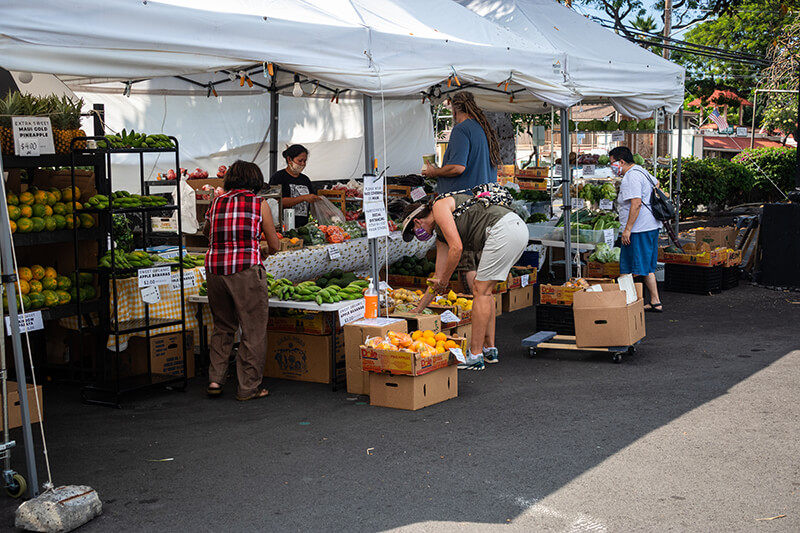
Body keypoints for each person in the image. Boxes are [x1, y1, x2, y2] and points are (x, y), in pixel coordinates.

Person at [401, 193, 528, 370]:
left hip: (503, 230)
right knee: (485, 291)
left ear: (417, 222)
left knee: (480, 291)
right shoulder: (441, 236)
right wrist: (419, 308)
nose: (417, 236)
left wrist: (445, 280)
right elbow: (437, 278)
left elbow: (457, 248)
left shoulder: (439, 207)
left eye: (414, 233)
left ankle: (475, 355)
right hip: (516, 229)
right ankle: (489, 349)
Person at [204, 160, 281, 401]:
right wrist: (264, 250)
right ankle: (248, 387)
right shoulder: (260, 204)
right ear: (255, 181)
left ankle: (215, 380)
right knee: (253, 329)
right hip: (246, 270)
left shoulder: (216, 202)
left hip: (215, 270)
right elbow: (275, 244)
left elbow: (207, 233)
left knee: (223, 326)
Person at [421, 90, 502, 297]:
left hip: (463, 207)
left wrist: (433, 171)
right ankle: (484, 311)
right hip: (485, 205)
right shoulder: (483, 129)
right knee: (479, 266)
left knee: (467, 266)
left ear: (455, 107)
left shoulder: (461, 130)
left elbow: (457, 167)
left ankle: (478, 312)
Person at [608, 146, 663, 312]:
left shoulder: (631, 177)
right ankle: (655, 301)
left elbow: (636, 203)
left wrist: (627, 229)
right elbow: (657, 183)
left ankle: (626, 303)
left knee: (627, 266)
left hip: (639, 229)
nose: (612, 167)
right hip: (650, 226)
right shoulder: (641, 171)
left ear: (622, 161)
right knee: (645, 266)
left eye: (613, 163)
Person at [268, 144, 321, 227]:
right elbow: (275, 202)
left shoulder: (305, 180)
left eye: (305, 161)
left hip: (303, 226)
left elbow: (311, 202)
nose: (303, 164)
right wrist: (303, 198)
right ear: (289, 159)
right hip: (284, 226)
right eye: (300, 161)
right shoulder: (278, 177)